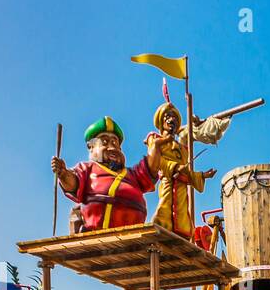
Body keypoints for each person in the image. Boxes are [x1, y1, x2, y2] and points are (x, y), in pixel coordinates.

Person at [52, 116, 161, 233]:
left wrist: (155, 146)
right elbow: (73, 183)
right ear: (91, 147)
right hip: (96, 234)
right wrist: (63, 173)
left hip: (132, 234)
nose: (111, 147)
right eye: (104, 142)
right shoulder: (87, 169)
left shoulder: (133, 175)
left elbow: (150, 169)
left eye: (114, 142)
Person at [147, 100, 224, 245]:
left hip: (182, 190)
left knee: (183, 220)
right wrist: (174, 167)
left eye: (175, 118)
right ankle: (161, 234)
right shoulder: (155, 139)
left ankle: (181, 239)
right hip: (168, 184)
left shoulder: (181, 149)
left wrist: (202, 175)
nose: (172, 120)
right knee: (165, 214)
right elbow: (157, 161)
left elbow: (186, 171)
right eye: (168, 116)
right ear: (160, 119)